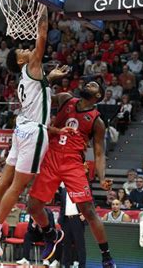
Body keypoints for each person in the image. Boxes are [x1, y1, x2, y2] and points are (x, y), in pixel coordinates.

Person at [0, 7, 66, 257]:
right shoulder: (33, 63)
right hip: (34, 132)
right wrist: (43, 4)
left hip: (21, 129)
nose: (26, 49)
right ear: (21, 60)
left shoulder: (30, 76)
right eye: (21, 51)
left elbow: (43, 95)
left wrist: (52, 78)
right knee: (18, 186)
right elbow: (43, 35)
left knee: (5, 179)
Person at [26, 83, 116, 267]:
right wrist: (47, 80)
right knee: (33, 207)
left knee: (88, 211)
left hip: (73, 162)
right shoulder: (66, 98)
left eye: (93, 85)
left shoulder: (97, 121)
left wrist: (102, 177)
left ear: (98, 95)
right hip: (51, 157)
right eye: (88, 82)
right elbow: (41, 99)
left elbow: (99, 154)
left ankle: (106, 256)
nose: (88, 84)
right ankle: (51, 234)